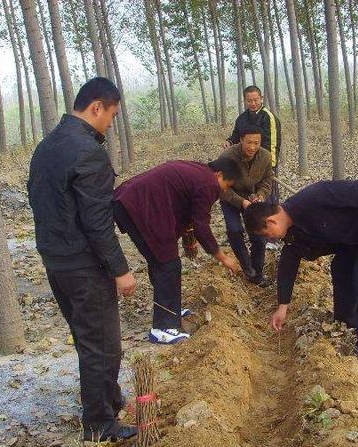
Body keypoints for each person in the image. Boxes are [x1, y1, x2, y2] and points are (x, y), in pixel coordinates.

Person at [28, 77, 138, 442]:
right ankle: (99, 424)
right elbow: (97, 222)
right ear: (96, 107)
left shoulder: (47, 146)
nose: (111, 122)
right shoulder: (88, 151)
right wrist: (121, 270)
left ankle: (110, 399)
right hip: (83, 264)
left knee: (89, 338)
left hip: (56, 260)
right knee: (103, 344)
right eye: (112, 114)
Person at [243, 180, 358, 356]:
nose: (269, 238)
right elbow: (289, 261)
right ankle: (345, 321)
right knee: (341, 267)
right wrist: (283, 306)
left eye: (266, 234)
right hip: (354, 237)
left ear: (271, 221)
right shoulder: (292, 229)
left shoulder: (312, 198)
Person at [113, 159, 241, 345]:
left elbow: (188, 211)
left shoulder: (200, 172)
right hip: (139, 207)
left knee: (163, 261)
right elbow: (201, 226)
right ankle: (162, 327)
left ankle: (170, 309)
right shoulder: (208, 183)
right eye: (226, 186)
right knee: (167, 264)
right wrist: (223, 257)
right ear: (219, 174)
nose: (223, 191)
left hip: (133, 201)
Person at [218, 125, 273, 287]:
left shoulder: (265, 156)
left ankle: (257, 273)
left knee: (259, 235)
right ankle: (247, 268)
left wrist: (261, 195)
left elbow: (267, 180)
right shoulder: (227, 157)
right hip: (230, 197)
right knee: (235, 230)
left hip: (252, 197)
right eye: (249, 142)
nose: (252, 147)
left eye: (256, 143)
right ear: (241, 140)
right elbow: (221, 188)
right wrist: (241, 202)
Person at [223, 85, 282, 204]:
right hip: (244, 163)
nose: (253, 103)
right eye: (249, 101)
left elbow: (272, 145)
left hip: (264, 164)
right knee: (248, 197)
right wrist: (229, 141)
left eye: (255, 100)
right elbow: (236, 135)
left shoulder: (268, 118)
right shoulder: (242, 118)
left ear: (261, 98)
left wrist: (271, 167)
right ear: (245, 101)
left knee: (267, 198)